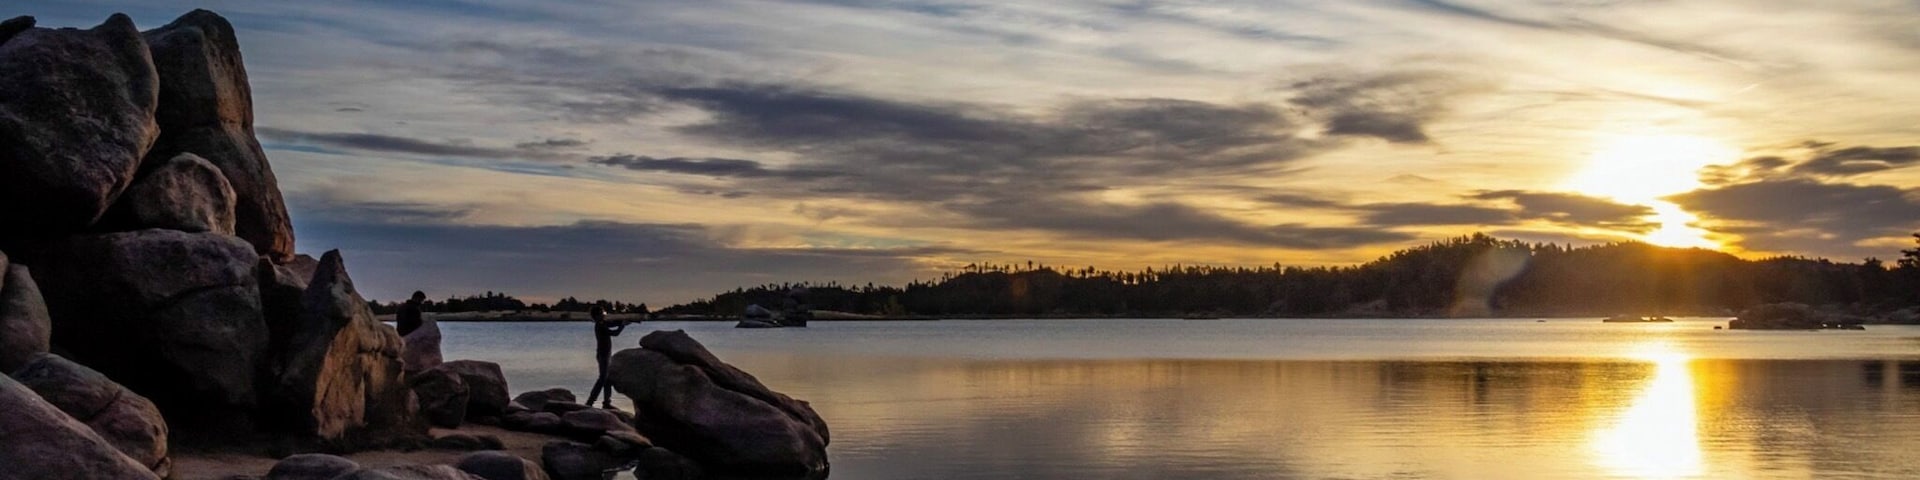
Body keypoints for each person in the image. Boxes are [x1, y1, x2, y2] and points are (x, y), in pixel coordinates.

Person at [585, 305, 630, 409]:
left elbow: (612, 323)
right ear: (596, 316)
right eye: (602, 313)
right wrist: (622, 325)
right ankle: (590, 402)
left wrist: (622, 322)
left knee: (607, 380)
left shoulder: (602, 323)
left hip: (605, 354)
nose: (604, 315)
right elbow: (615, 333)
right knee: (602, 379)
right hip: (603, 355)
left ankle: (606, 403)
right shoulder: (600, 325)